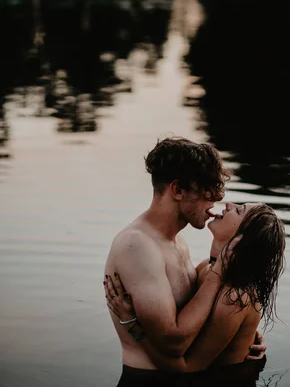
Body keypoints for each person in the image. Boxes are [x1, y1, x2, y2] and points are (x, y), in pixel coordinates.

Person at [103, 137, 268, 385]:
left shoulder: (176, 242)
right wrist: (218, 274)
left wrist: (242, 334)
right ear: (178, 190)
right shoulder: (137, 246)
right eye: (207, 195)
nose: (214, 205)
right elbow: (173, 342)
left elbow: (197, 313)